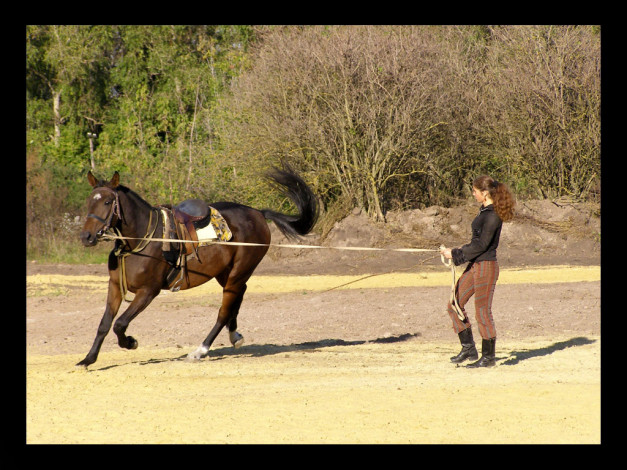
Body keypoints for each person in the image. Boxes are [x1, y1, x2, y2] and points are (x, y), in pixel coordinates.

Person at [439, 175, 515, 368]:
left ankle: (488, 357)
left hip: (486, 268)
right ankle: (469, 348)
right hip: (475, 266)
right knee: (454, 304)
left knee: (482, 312)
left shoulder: (493, 215)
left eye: (474, 191)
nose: (473, 194)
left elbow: (482, 245)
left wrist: (456, 254)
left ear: (485, 193)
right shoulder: (484, 212)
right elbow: (476, 244)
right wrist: (455, 252)